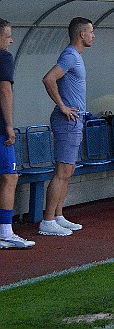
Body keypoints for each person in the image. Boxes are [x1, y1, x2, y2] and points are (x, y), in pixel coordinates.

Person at [39, 17, 94, 236]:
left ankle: (58, 215)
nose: (93, 35)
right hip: (67, 120)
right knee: (62, 170)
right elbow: (49, 79)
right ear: (81, 34)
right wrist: (62, 106)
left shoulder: (75, 56)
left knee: (68, 169)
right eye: (90, 32)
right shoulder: (70, 55)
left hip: (76, 119)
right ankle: (48, 220)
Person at [0, 19, 34, 249]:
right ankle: (5, 232)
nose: (11, 40)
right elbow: (5, 89)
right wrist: (10, 126)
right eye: (7, 36)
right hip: (0, 130)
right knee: (10, 177)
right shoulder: (4, 58)